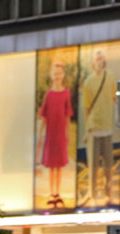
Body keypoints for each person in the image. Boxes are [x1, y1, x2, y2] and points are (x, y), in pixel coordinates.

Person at [81, 48, 117, 206]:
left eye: (101, 58)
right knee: (93, 165)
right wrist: (87, 130)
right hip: (94, 128)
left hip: (107, 127)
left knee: (108, 164)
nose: (99, 61)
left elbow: (114, 97)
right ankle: (93, 194)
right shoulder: (88, 82)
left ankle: (109, 193)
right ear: (93, 62)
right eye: (97, 58)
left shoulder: (111, 78)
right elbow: (86, 108)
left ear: (104, 60)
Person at [37, 58, 73, 208]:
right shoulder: (49, 95)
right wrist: (41, 134)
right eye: (55, 73)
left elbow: (67, 115)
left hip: (60, 134)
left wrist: (68, 133)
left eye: (60, 73)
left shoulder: (66, 94)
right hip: (51, 134)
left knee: (59, 165)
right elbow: (44, 116)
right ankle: (52, 193)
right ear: (52, 75)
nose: (57, 76)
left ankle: (57, 192)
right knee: (51, 166)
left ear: (63, 75)